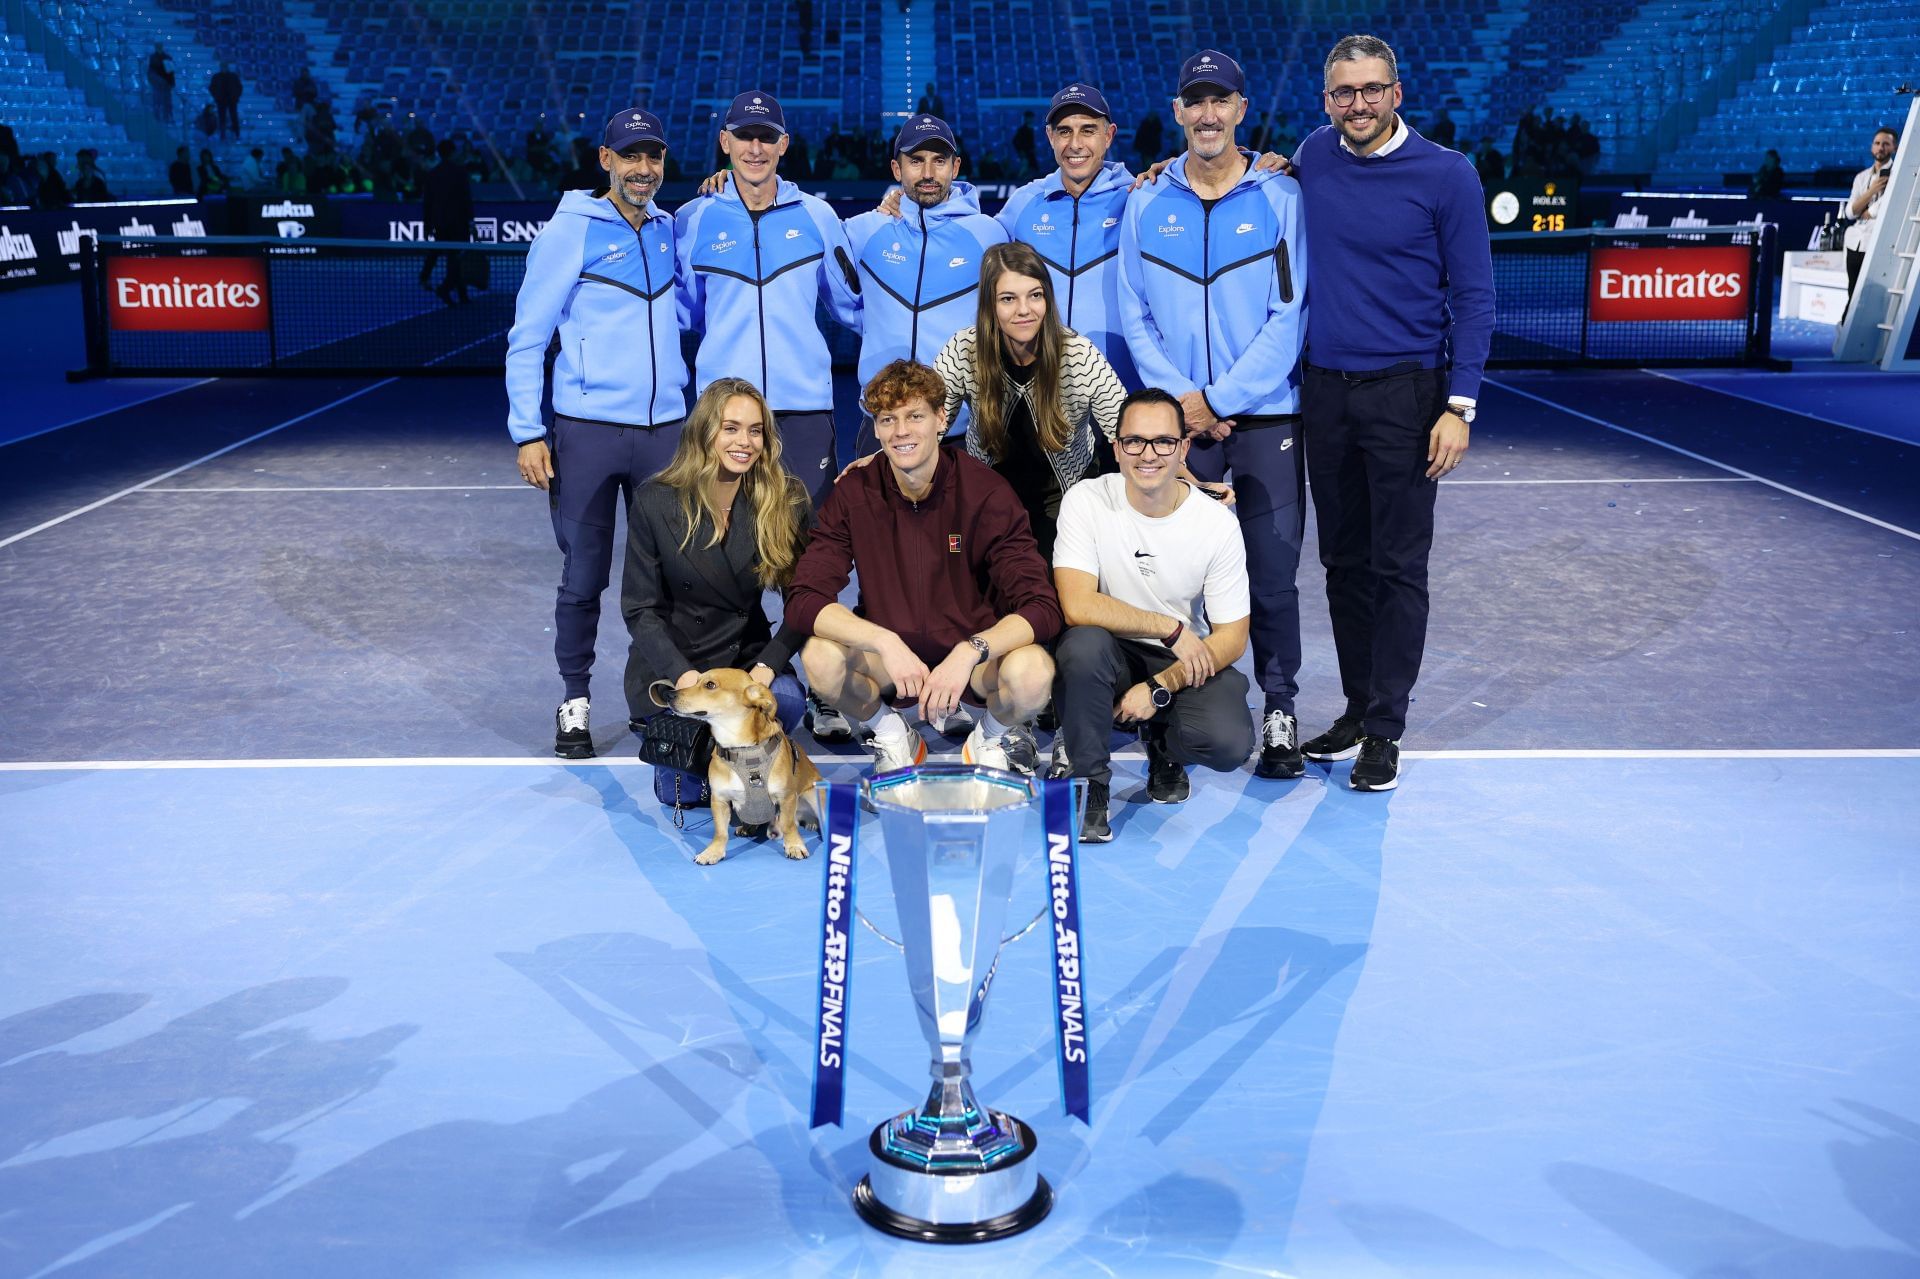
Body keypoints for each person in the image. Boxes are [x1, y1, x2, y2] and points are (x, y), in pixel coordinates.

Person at [1293, 34, 1493, 791]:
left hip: (1408, 396)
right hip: (1325, 392)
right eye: (1344, 93)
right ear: (1327, 100)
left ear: (1397, 94)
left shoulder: (1448, 174)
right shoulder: (1312, 156)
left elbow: (1474, 296)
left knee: (1398, 566)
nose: (1359, 104)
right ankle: (1356, 707)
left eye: (1371, 89)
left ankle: (1385, 730)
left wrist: (1459, 406)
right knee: (1342, 563)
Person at [1118, 48, 1310, 782]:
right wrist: (1184, 406)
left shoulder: (1280, 197)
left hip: (1263, 418)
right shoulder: (1145, 201)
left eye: (1219, 100)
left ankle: (1281, 708)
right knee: (1165, 582)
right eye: (1195, 101)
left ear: (1240, 110)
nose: (1207, 114)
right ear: (1178, 112)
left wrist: (1218, 400)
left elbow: (1288, 316)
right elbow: (1135, 315)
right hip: (1178, 425)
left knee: (1272, 575)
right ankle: (1168, 726)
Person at [505, 108, 691, 759]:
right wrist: (528, 431)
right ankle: (575, 697)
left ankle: (654, 696)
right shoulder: (569, 231)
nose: (643, 169)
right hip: (586, 434)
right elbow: (527, 339)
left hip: (664, 433)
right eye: (630, 156)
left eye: (653, 156)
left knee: (663, 580)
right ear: (605, 160)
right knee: (584, 575)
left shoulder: (669, 229)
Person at [786, 360, 1062, 775]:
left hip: (973, 662)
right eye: (888, 419)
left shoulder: (985, 492)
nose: (901, 431)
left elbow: (1041, 606)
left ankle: (989, 738)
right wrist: (883, 641)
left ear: (941, 419)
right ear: (876, 429)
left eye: (915, 416)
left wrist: (970, 650)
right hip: (890, 663)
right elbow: (804, 599)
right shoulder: (854, 493)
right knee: (820, 658)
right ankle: (892, 733)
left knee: (1033, 672)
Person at [1051, 389, 1254, 840]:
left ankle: (1164, 746)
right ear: (1116, 448)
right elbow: (1077, 605)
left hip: (1177, 661)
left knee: (1228, 742)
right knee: (1082, 646)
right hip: (1110, 650)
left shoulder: (1217, 524)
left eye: (1163, 441)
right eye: (1135, 441)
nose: (1148, 454)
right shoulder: (1086, 500)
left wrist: (1159, 688)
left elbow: (1232, 638)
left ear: (1183, 448)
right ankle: (1090, 784)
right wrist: (1169, 627)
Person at [623, 378, 814, 804]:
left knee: (784, 700)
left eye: (755, 430)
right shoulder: (655, 501)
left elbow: (803, 599)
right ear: (704, 432)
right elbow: (639, 609)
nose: (744, 442)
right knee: (683, 795)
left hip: (744, 659)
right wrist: (684, 678)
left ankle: (743, 769)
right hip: (677, 665)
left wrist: (767, 666)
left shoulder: (784, 499)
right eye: (730, 428)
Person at [676, 92, 861, 508]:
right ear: (725, 142)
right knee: (725, 542)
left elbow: (853, 305)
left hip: (804, 412)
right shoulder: (693, 219)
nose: (755, 148)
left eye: (767, 137)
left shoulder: (818, 216)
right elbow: (683, 313)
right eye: (745, 136)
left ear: (784, 144)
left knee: (810, 542)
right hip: (723, 415)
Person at [928, 241, 1130, 557]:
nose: (1024, 310)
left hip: (1066, 499)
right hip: (988, 496)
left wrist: (1184, 480)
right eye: (1008, 299)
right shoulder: (964, 348)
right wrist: (879, 460)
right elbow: (926, 421)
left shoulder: (1078, 353)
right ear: (990, 305)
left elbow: (1129, 429)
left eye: (1035, 295)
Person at [843, 115, 1007, 435]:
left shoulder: (989, 235)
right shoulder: (864, 231)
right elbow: (836, 294)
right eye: (916, 161)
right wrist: (873, 322)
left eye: (939, 161)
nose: (928, 173)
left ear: (955, 167)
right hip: (884, 420)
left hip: (963, 427)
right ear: (897, 169)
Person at [995, 84, 1140, 389]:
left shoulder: (1136, 198)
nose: (1075, 144)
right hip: (1041, 391)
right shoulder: (1023, 203)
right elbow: (968, 240)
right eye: (1064, 132)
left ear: (1108, 135)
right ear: (1050, 137)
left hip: (1121, 390)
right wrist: (904, 204)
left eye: (1088, 130)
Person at [419, 139, 474, 305]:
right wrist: (471, 221)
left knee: (449, 256)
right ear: (452, 152)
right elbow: (466, 199)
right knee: (456, 258)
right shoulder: (460, 173)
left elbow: (427, 203)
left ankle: (460, 293)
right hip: (458, 224)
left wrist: (427, 226)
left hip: (440, 223)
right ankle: (447, 288)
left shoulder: (433, 174)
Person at [1846, 126, 1898, 297]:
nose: (1880, 147)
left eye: (1886, 144)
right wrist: (1872, 191)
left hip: (1878, 242)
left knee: (1874, 296)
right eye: (1877, 143)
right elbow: (1851, 212)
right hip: (1855, 243)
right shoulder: (1861, 177)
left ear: (1895, 148)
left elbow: (1888, 206)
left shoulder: (1898, 174)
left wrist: (1868, 210)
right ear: (1871, 146)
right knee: (1853, 294)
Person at [210, 63, 243, 139]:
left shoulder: (233, 76)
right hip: (221, 100)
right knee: (222, 118)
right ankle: (222, 135)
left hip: (232, 100)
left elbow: (239, 87)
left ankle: (236, 134)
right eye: (223, 67)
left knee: (234, 117)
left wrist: (236, 96)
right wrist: (216, 96)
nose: (224, 68)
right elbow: (212, 88)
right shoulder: (216, 77)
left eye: (225, 67)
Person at [146, 43, 175, 124]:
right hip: (158, 84)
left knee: (167, 102)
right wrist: (158, 80)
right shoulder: (152, 58)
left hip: (166, 84)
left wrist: (171, 83)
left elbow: (171, 72)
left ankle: (167, 117)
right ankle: (158, 118)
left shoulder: (167, 57)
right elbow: (151, 72)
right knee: (157, 102)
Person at [1011, 110, 1037, 178]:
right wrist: (1021, 151)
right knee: (1025, 166)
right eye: (1029, 117)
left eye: (1031, 117)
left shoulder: (1031, 129)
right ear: (1025, 118)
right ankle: (1018, 180)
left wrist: (1033, 148)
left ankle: (1024, 180)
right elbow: (1015, 141)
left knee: (1032, 168)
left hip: (1030, 152)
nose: (1031, 119)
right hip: (1024, 152)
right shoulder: (1022, 129)